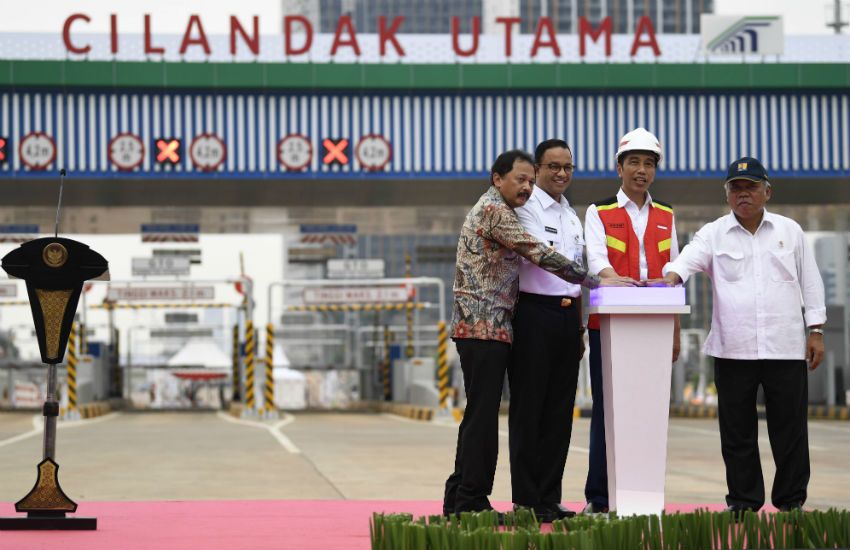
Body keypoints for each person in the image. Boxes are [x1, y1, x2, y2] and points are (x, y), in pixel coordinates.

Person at [443, 149, 636, 517]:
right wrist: (596, 281)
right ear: (497, 178)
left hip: (496, 326)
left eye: (530, 180)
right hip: (484, 324)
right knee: (485, 416)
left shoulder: (556, 212)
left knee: (480, 415)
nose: (527, 187)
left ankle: (460, 498)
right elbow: (538, 253)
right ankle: (471, 500)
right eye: (521, 179)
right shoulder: (496, 211)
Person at [656, 156, 826, 513]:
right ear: (727, 194)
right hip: (733, 349)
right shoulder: (713, 233)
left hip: (784, 348)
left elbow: (811, 282)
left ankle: (791, 501)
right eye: (736, 187)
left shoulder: (789, 231)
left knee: (790, 433)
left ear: (767, 191)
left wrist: (816, 331)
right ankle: (744, 502)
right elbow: (686, 260)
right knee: (737, 434)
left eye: (750, 187)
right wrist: (670, 278)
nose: (743, 194)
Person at [582, 127, 681, 514]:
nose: (642, 170)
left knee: (650, 415)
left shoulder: (667, 215)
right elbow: (596, 262)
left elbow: (674, 272)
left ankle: (642, 497)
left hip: (654, 329)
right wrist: (612, 278)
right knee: (607, 414)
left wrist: (674, 330)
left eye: (649, 163)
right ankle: (600, 498)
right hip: (610, 327)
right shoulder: (598, 212)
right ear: (619, 167)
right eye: (635, 162)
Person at [509, 139, 584, 522]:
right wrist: (594, 281)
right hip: (534, 314)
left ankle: (549, 499)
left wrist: (581, 326)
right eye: (553, 166)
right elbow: (539, 255)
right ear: (537, 170)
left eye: (568, 167)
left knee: (558, 413)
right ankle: (525, 499)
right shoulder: (526, 207)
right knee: (529, 410)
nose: (561, 173)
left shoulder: (572, 215)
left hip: (568, 318)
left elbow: (577, 268)